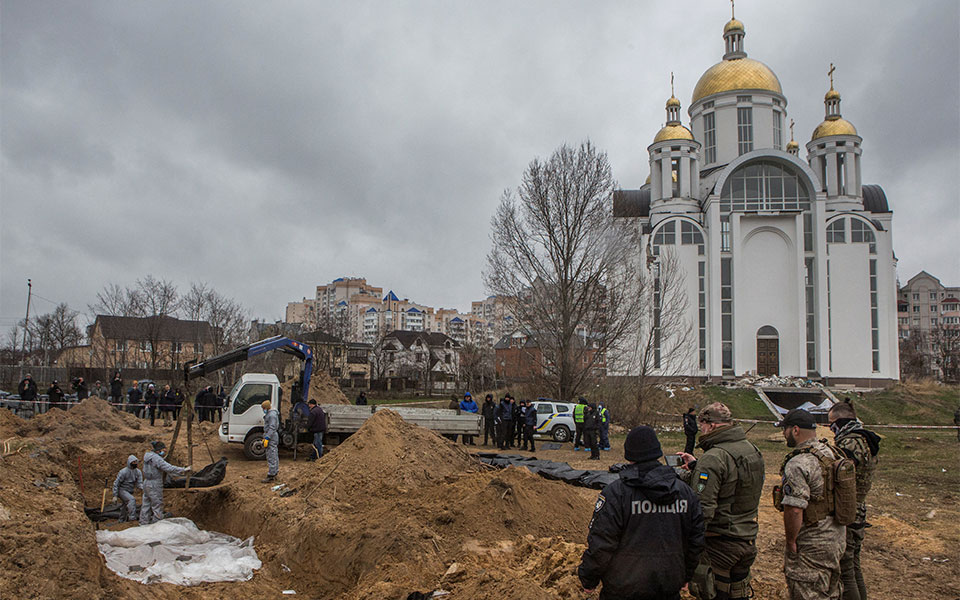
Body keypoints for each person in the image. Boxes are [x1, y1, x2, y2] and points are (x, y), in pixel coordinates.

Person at [578, 425, 705, 599]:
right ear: (657, 452)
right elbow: (695, 542)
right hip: (668, 584)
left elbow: (602, 543)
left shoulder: (616, 493)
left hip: (623, 589)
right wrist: (686, 575)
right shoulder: (685, 492)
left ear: (629, 456)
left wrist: (589, 578)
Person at [676, 403, 764, 600]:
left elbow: (702, 509)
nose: (702, 431)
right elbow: (736, 484)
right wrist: (697, 468)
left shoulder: (714, 457)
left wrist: (689, 547)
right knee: (738, 593)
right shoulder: (752, 449)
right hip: (746, 537)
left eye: (703, 426)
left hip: (720, 542)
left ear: (711, 425)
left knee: (715, 592)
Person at [774, 409, 846, 600]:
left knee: (807, 591)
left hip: (812, 541)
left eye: (785, 429)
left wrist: (791, 541)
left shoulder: (798, 463)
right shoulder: (831, 452)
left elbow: (795, 508)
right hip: (836, 536)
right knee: (831, 591)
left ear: (795, 430)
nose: (784, 434)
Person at [829, 402, 881, 600]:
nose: (831, 428)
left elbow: (841, 474)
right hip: (858, 507)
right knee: (853, 565)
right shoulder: (866, 439)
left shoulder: (851, 443)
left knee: (846, 569)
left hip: (848, 509)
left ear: (841, 421)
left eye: (832, 423)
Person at [140, 441, 190, 525]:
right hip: (154, 484)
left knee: (146, 503)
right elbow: (168, 468)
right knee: (157, 504)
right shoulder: (157, 459)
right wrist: (183, 470)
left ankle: (143, 523)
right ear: (158, 451)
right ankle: (156, 524)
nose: (164, 451)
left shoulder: (148, 456)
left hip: (146, 482)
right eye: (163, 450)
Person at [112, 454, 143, 522]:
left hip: (130, 491)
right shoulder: (123, 472)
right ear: (130, 462)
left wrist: (142, 487)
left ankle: (121, 519)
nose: (135, 463)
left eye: (136, 462)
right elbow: (116, 483)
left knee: (125, 505)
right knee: (131, 500)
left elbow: (139, 483)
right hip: (122, 490)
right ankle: (132, 518)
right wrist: (115, 495)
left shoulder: (138, 472)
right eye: (133, 462)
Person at [262, 400, 280, 483]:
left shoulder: (271, 415)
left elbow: (272, 427)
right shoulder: (271, 413)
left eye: (263, 408)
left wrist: (267, 437)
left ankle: (271, 474)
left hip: (271, 436)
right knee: (273, 453)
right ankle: (274, 471)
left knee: (271, 455)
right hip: (271, 435)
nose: (263, 410)